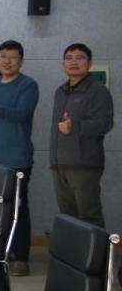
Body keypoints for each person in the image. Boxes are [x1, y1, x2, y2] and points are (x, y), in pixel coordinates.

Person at [0, 40, 38, 276]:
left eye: (13, 57)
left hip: (17, 158)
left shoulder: (28, 85)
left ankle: (20, 257)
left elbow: (23, 113)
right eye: (3, 56)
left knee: (18, 209)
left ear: (21, 61)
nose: (7, 61)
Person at [50, 43, 114, 227]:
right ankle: (72, 248)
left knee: (89, 216)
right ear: (63, 64)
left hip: (84, 165)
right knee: (67, 217)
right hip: (59, 165)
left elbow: (105, 123)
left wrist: (76, 126)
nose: (73, 62)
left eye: (80, 58)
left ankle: (96, 248)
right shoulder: (60, 91)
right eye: (69, 58)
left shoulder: (98, 91)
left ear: (90, 63)